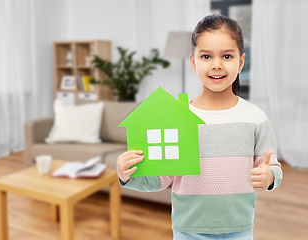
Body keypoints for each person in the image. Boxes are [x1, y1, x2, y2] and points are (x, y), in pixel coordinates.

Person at [117, 14, 282, 240]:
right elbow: (162, 177)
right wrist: (127, 175)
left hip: (240, 227)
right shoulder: (179, 117)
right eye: (206, 56)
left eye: (226, 56)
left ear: (240, 62)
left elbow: (272, 166)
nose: (216, 65)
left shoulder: (255, 117)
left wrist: (269, 177)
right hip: (188, 229)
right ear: (194, 62)